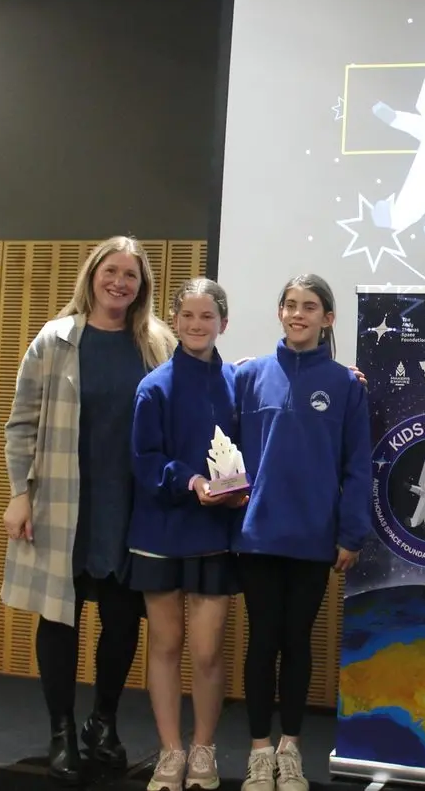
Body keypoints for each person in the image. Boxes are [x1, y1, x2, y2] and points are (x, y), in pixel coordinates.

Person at [1, 236, 175, 785]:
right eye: (111, 271)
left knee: (122, 619)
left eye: (131, 275)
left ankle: (103, 722)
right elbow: (21, 423)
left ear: (142, 286)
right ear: (93, 275)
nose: (120, 282)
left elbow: (198, 391)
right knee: (60, 616)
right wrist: (19, 492)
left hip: (129, 503)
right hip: (62, 499)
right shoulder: (55, 339)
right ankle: (61, 732)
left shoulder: (157, 343)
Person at [233, 274, 373, 791]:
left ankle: (289, 750)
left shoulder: (345, 385)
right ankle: (258, 752)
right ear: (280, 312)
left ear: (327, 319)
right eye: (290, 305)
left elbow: (357, 466)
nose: (298, 314)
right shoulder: (248, 376)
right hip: (258, 538)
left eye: (309, 306)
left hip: (314, 539)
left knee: (296, 642)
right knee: (261, 641)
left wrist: (351, 534)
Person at [128, 278, 248, 791]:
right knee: (165, 644)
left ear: (224, 322)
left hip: (214, 533)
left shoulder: (239, 382)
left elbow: (256, 449)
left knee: (206, 650)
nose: (197, 325)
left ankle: (203, 748)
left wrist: (240, 490)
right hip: (160, 530)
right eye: (188, 316)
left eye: (207, 316)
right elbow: (145, 461)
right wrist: (191, 481)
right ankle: (170, 751)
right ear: (174, 321)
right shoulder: (153, 387)